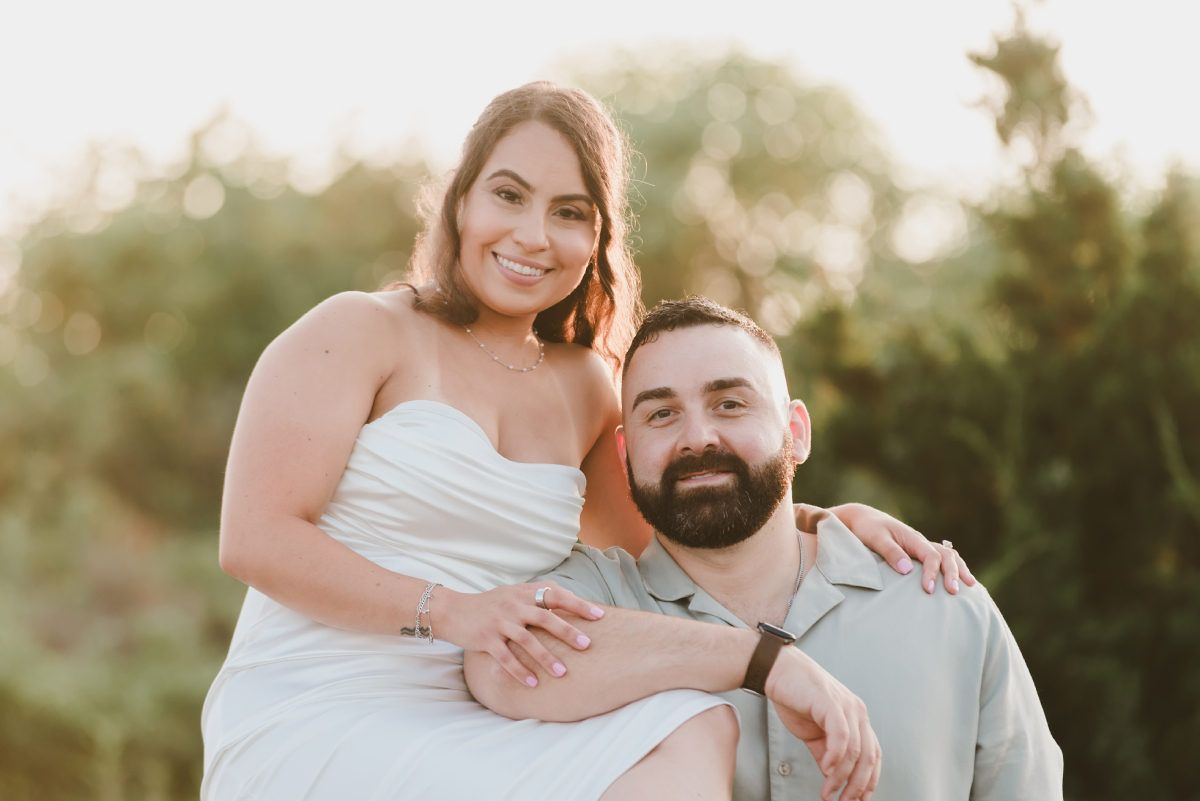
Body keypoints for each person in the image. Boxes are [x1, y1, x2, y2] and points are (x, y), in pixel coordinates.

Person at [202, 83, 968, 800]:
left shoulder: (587, 387)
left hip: (486, 713)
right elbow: (254, 540)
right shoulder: (360, 331)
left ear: (597, 238)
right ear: (461, 202)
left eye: (570, 212)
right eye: (509, 195)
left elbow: (672, 535)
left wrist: (820, 521)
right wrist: (458, 613)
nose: (534, 236)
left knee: (696, 724)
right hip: (316, 704)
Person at [465, 297, 1064, 801]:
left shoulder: (942, 601)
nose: (697, 436)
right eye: (662, 413)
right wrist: (759, 662)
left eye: (730, 403)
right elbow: (495, 660)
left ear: (795, 432)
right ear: (624, 457)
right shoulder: (592, 597)